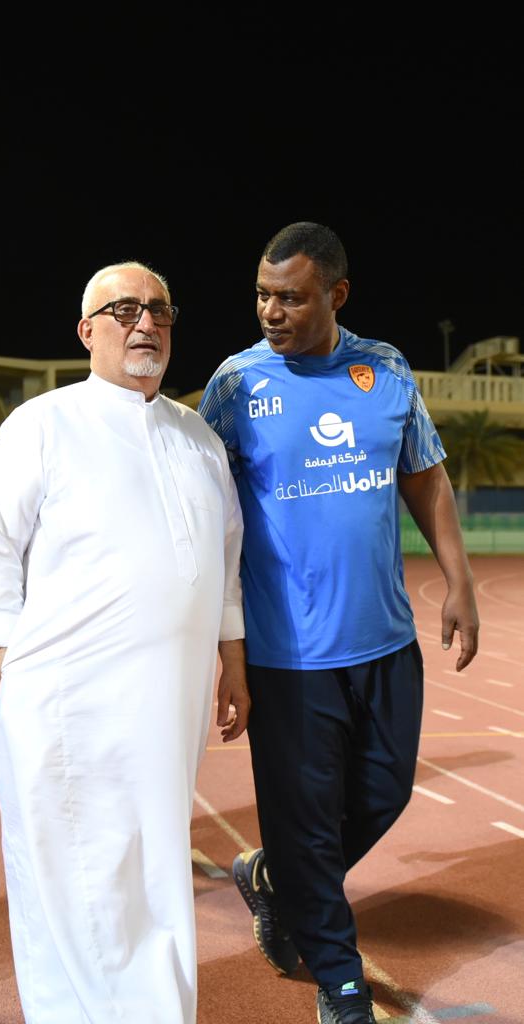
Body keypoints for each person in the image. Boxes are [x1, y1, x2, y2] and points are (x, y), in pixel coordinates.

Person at [199, 223, 479, 1024]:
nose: (270, 311)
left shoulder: (383, 369)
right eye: (261, 295)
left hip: (385, 640)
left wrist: (457, 579)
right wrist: (222, 646)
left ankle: (276, 878)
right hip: (288, 656)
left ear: (336, 295)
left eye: (289, 297)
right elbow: (194, 503)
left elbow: (423, 474)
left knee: (384, 793)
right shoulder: (236, 385)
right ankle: (339, 980)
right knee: (308, 820)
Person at [0, 261, 249, 1023]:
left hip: (170, 703)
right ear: (86, 330)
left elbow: (224, 562)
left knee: (154, 866)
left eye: (158, 309)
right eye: (124, 310)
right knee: (74, 874)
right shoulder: (44, 423)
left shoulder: (195, 437)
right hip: (69, 700)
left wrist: (232, 662)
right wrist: (4, 648)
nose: (145, 322)